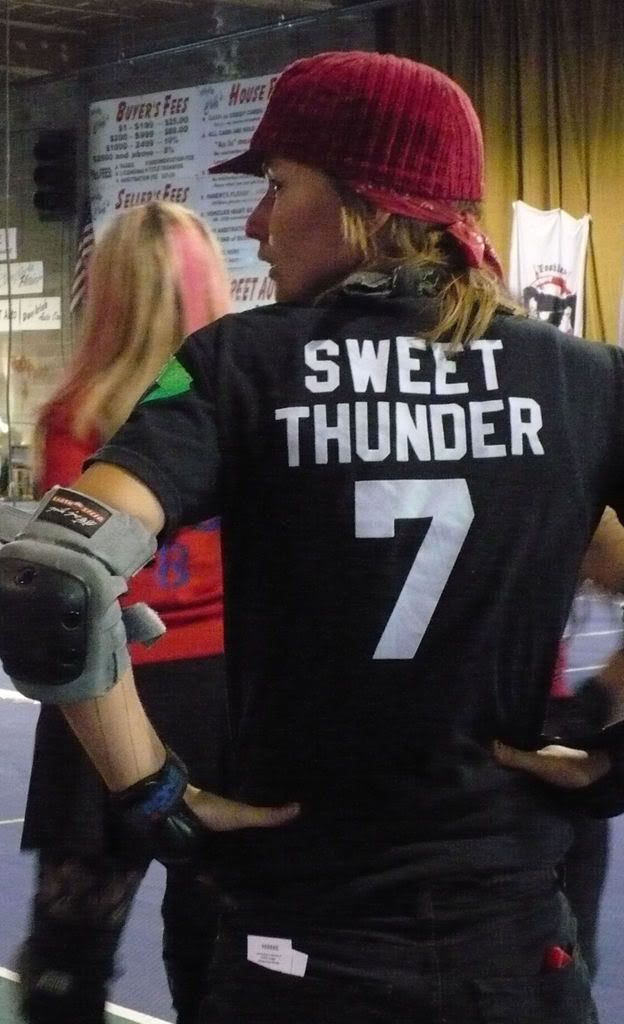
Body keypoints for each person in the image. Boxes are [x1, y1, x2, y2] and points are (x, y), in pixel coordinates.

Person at [2, 51, 624, 1024]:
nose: (254, 223)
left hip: (302, 945)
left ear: (364, 203)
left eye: (278, 185)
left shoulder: (242, 364)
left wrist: (155, 794)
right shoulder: (583, 377)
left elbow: (52, 580)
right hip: (517, 947)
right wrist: (606, 728)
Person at [15, 200, 232, 1024]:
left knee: (70, 950)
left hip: (107, 696)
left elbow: (63, 585)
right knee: (217, 944)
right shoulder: (242, 407)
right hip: (223, 694)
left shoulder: (77, 416)